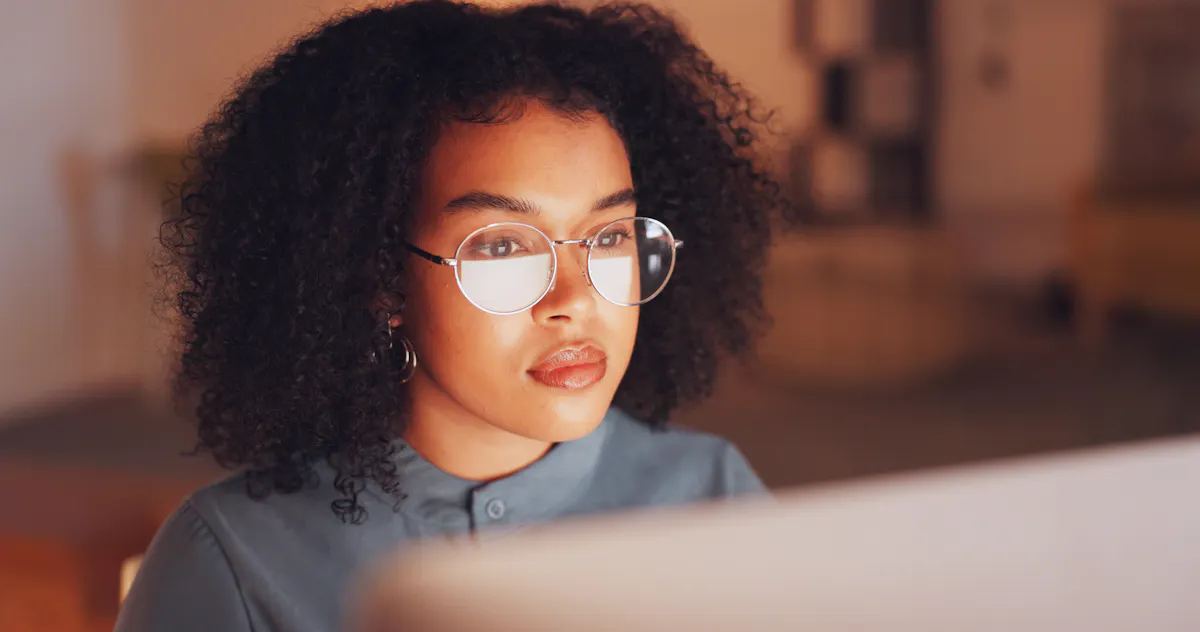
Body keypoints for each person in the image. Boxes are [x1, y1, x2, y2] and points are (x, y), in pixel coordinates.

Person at [116, 1, 796, 630]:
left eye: (611, 235)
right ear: (380, 280)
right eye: (503, 246)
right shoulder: (233, 562)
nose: (575, 300)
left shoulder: (712, 493)